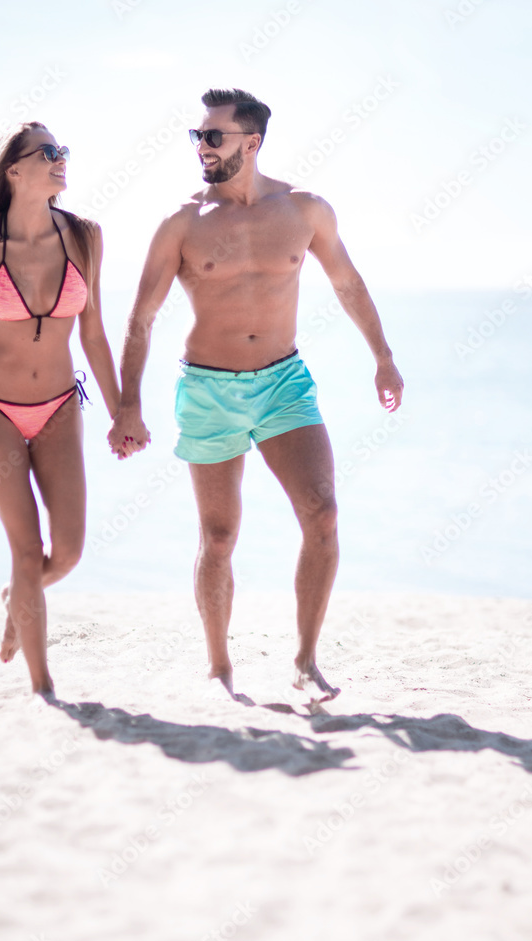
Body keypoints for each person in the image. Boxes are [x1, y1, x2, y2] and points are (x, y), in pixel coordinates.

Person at [108, 88, 403, 702]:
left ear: (253, 142)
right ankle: (219, 667)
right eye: (197, 136)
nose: (202, 147)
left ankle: (304, 660)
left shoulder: (305, 210)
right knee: (218, 537)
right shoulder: (182, 222)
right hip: (209, 387)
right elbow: (141, 317)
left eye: (213, 137)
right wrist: (127, 404)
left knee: (322, 515)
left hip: (283, 383)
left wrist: (383, 358)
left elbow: (348, 283)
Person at [0, 121, 120, 696]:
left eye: (63, 151)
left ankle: (18, 597)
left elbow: (93, 334)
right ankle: (43, 686)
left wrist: (123, 412)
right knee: (26, 549)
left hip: (58, 406)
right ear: (13, 170)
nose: (61, 160)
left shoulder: (85, 237)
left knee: (66, 552)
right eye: (48, 153)